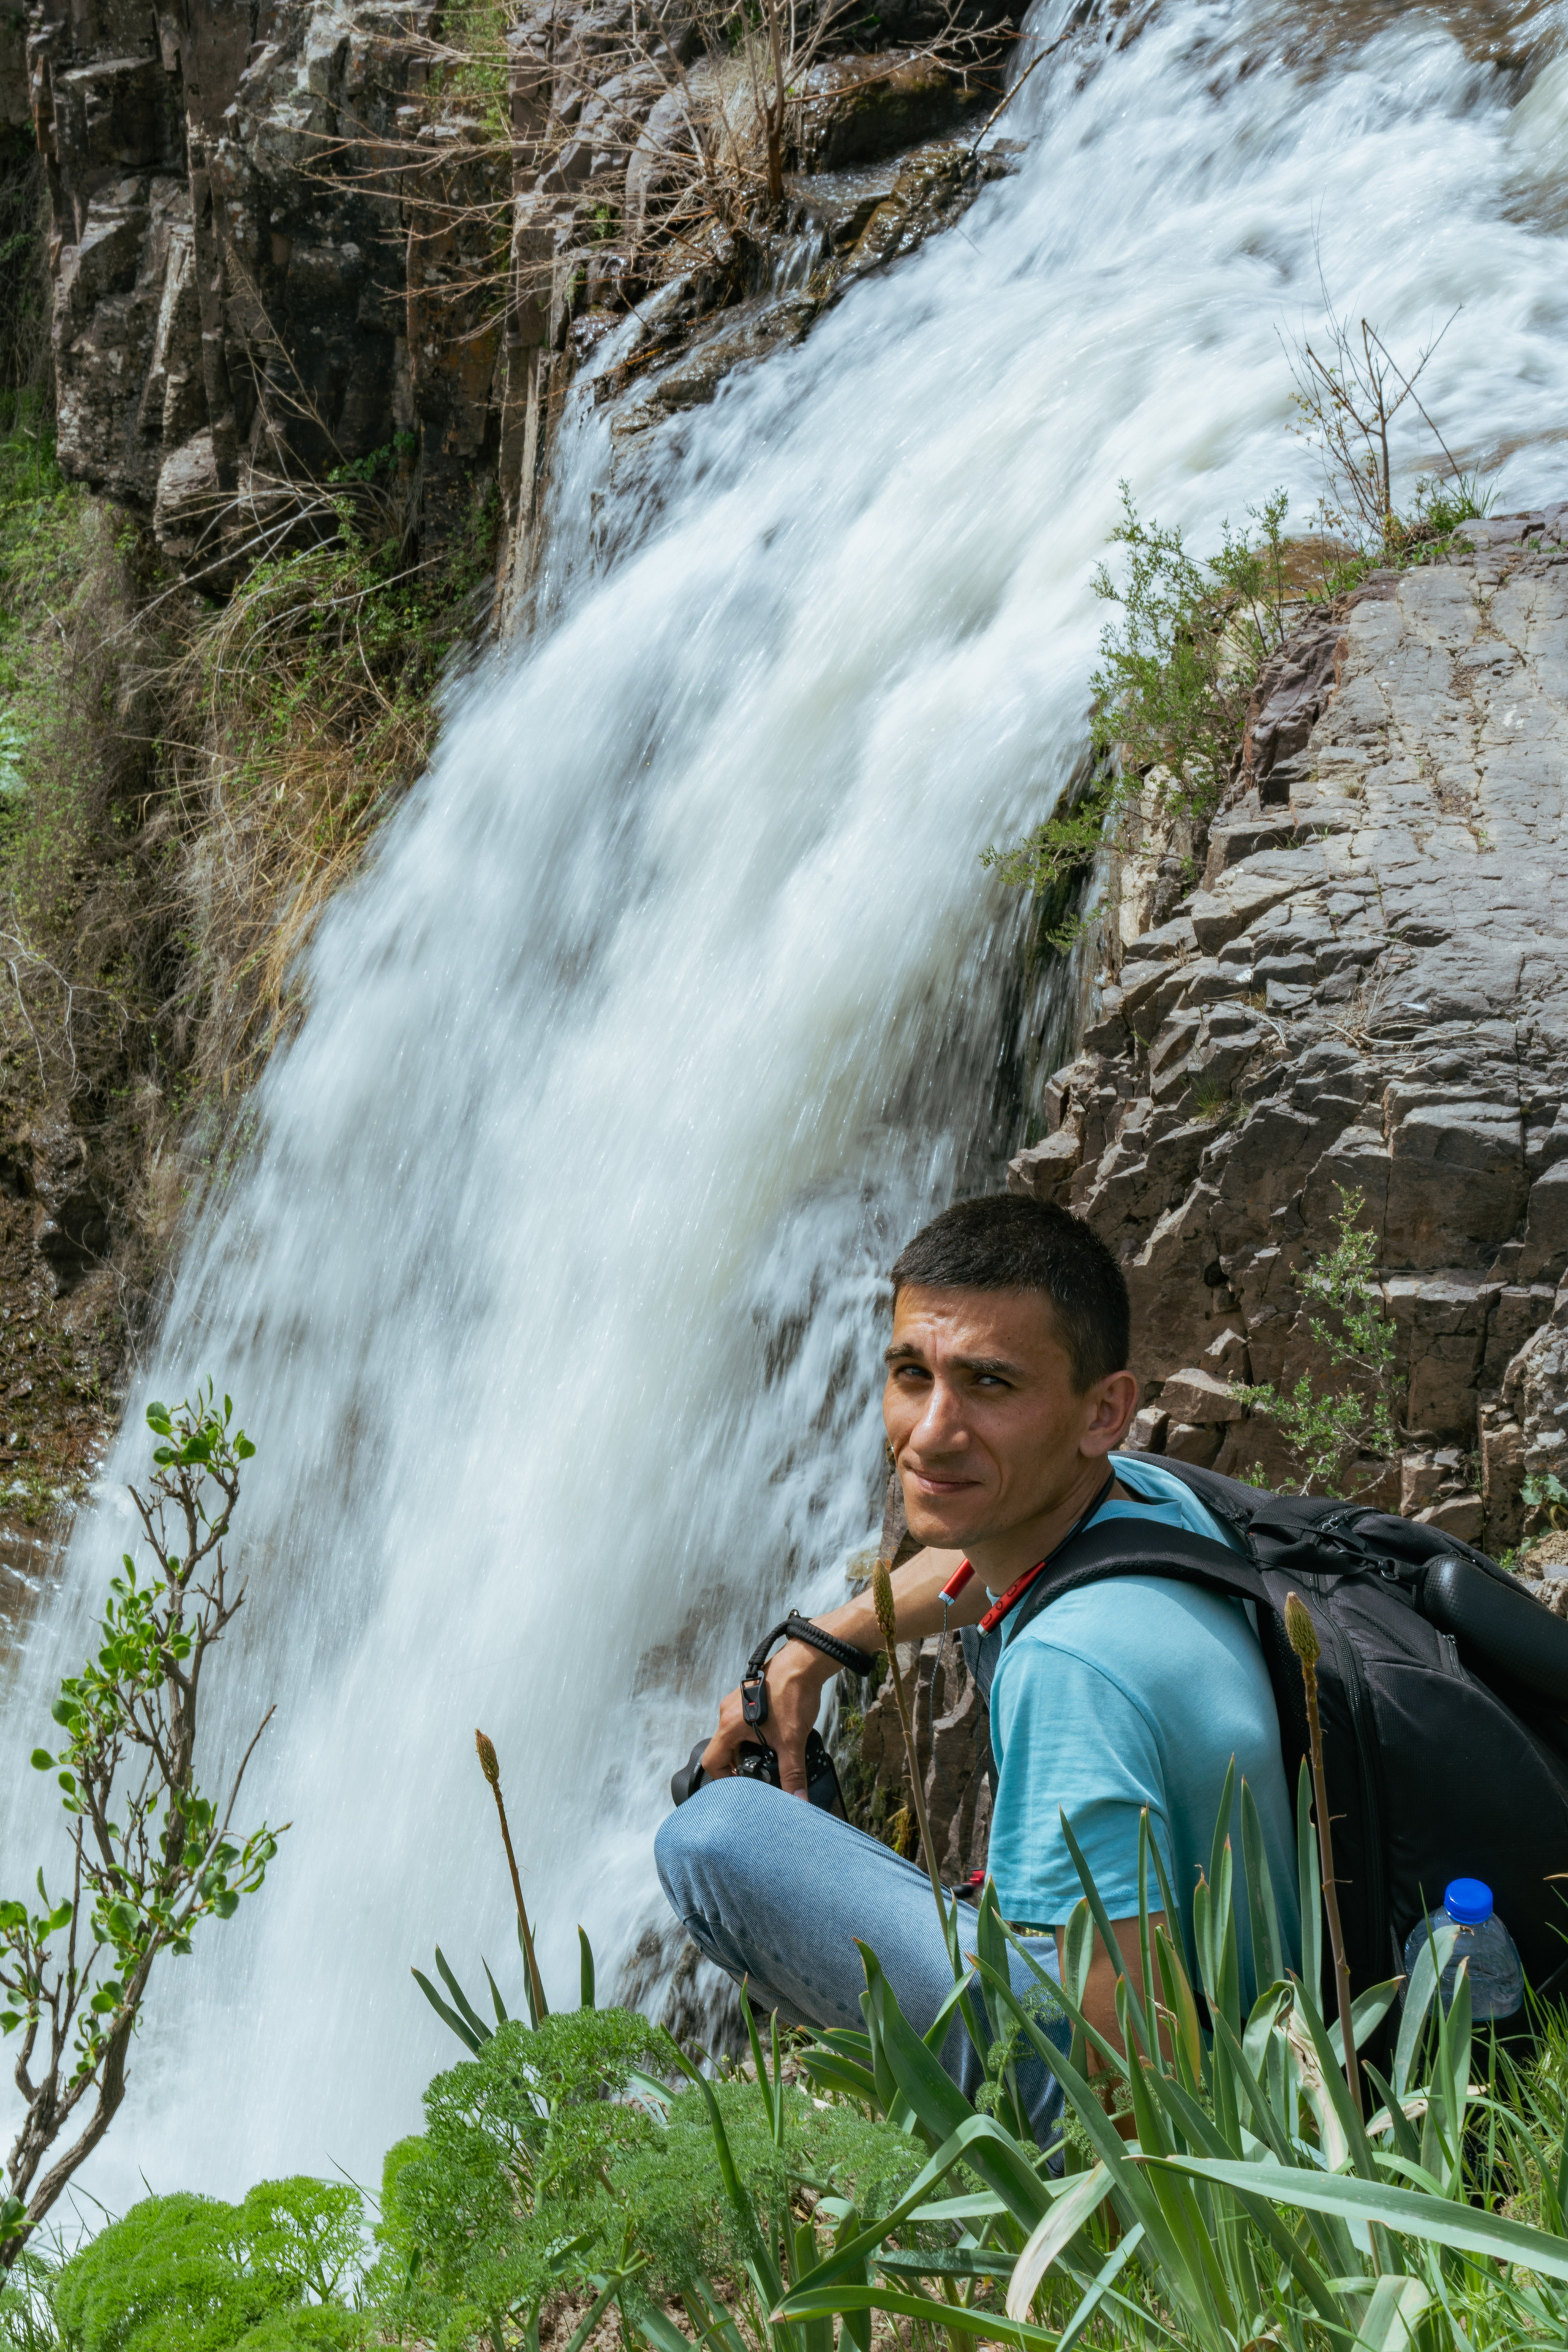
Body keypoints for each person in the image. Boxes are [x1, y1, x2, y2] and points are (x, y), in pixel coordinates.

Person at [654, 1193, 1299, 2143]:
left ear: (1103, 1409)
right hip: (1275, 2000)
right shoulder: (1152, 1501)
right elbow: (974, 1566)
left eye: (990, 1385)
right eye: (913, 1374)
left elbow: (1137, 2077)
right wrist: (821, 1646)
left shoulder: (1071, 1672)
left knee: (715, 1839)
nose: (930, 1432)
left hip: (1218, 2110)